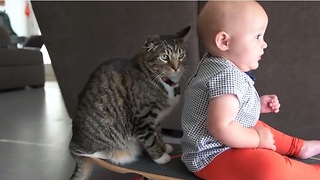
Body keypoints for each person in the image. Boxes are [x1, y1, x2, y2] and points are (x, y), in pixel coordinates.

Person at [180, 1, 320, 180]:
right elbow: (220, 127)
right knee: (268, 167)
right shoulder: (227, 77)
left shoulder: (214, 64)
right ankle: (313, 173)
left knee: (257, 125)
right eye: (257, 36)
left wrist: (256, 104)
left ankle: (299, 147)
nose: (264, 44)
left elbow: (225, 107)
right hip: (211, 156)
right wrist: (257, 140)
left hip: (218, 144)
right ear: (224, 41)